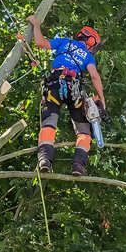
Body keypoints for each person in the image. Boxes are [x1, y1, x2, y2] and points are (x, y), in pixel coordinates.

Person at [28, 15, 106, 176]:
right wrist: (102, 101)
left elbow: (40, 43)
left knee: (49, 124)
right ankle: (78, 165)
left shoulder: (64, 42)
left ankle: (44, 160)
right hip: (74, 90)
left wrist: (36, 24)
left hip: (54, 86)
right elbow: (95, 76)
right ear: (90, 42)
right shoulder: (88, 56)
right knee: (84, 132)